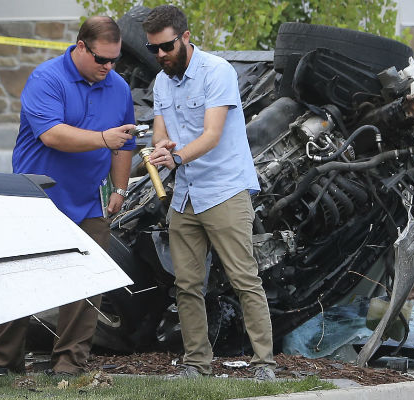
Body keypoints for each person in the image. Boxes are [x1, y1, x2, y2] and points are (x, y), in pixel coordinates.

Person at [0, 16, 136, 376]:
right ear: (80, 47)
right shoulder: (46, 79)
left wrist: (119, 188)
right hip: (37, 198)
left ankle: (69, 363)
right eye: (101, 59)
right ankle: (2, 362)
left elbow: (125, 142)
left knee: (87, 283)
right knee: (21, 278)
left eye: (114, 60)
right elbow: (52, 134)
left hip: (90, 200)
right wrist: (102, 138)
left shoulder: (118, 87)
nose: (108, 67)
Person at [142, 5, 277, 380]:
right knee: (186, 284)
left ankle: (265, 364)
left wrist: (177, 156)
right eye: (153, 49)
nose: (160, 55)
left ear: (185, 37)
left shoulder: (217, 71)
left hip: (225, 190)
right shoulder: (162, 81)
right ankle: (196, 365)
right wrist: (162, 145)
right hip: (186, 194)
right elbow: (160, 130)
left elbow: (213, 135)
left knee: (243, 278)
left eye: (166, 47)